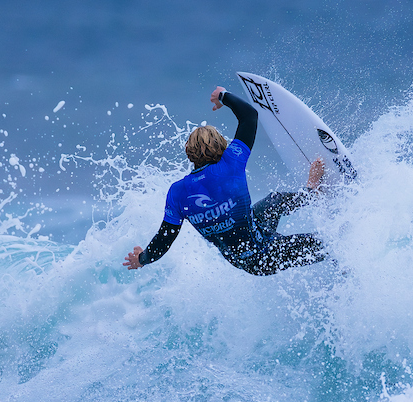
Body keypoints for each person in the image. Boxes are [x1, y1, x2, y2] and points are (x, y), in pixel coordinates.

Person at [123, 85, 328, 276]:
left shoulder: (177, 192)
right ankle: (347, 261)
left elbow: (164, 240)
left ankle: (311, 191)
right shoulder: (231, 163)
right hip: (265, 255)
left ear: (188, 152)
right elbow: (249, 115)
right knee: (328, 244)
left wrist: (142, 259)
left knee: (274, 200)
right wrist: (222, 95)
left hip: (241, 258)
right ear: (223, 146)